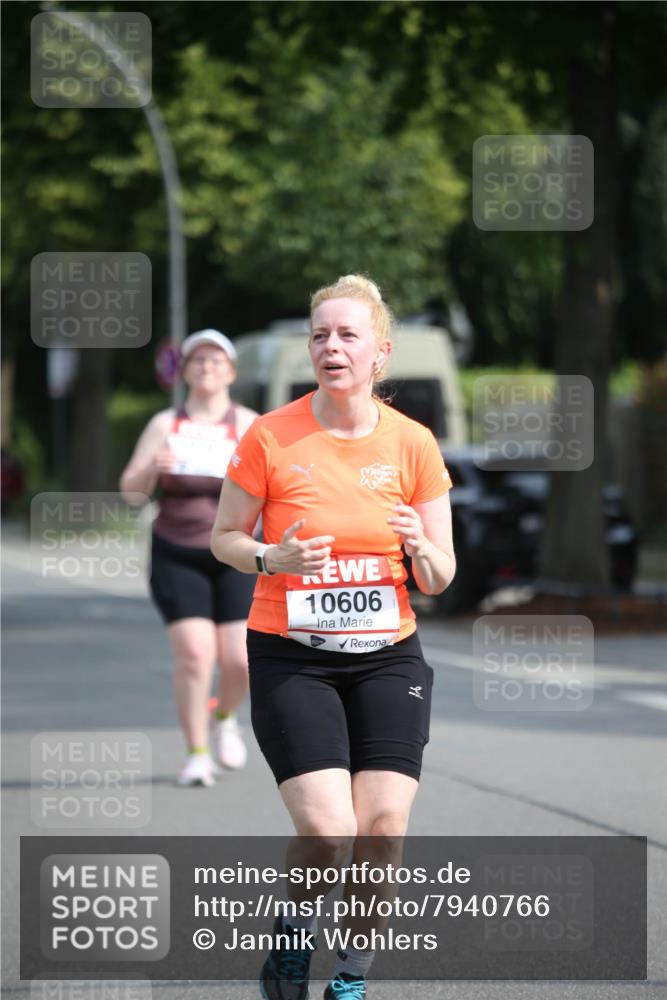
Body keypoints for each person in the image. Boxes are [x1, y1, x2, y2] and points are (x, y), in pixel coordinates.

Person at [211, 276, 456, 999]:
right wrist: (269, 557)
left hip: (387, 655)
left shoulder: (412, 443)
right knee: (326, 833)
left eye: (347, 335)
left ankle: (349, 977)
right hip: (292, 654)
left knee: (379, 831)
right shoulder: (270, 435)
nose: (331, 347)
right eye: (320, 335)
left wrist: (419, 546)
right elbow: (224, 535)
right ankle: (290, 938)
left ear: (379, 353)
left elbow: (440, 576)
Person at [120, 329, 258, 787]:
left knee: (239, 659)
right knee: (196, 657)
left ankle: (225, 717)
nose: (206, 368)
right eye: (198, 360)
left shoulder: (249, 425)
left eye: (216, 361)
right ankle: (197, 753)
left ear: (231, 372)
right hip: (177, 553)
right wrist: (149, 468)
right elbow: (131, 491)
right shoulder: (166, 424)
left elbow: (277, 488)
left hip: (235, 553)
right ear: (185, 370)